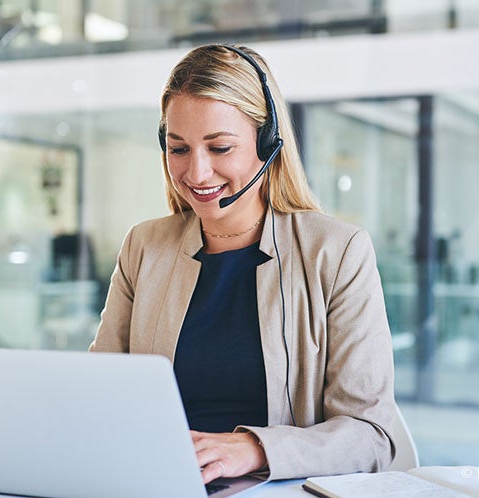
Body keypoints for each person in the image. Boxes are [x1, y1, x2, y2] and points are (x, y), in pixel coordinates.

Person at [89, 44, 396, 482]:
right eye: (179, 149)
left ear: (267, 143)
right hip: (154, 482)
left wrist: (255, 449)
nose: (196, 173)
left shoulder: (335, 251)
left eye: (219, 148)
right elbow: (97, 393)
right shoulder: (145, 245)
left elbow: (372, 434)